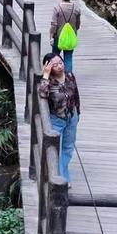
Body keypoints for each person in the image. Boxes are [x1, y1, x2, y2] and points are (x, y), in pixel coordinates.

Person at [38, 52, 80, 182]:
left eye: (60, 62)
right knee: (56, 151)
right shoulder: (48, 82)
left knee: (68, 148)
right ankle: (62, 180)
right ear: (48, 67)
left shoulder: (69, 76)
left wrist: (78, 113)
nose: (59, 66)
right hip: (57, 119)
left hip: (71, 117)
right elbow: (42, 94)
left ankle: (62, 174)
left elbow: (76, 95)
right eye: (54, 65)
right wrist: (45, 74)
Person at [50, 0, 81, 73]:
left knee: (55, 56)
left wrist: (51, 36)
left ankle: (55, 75)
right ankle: (68, 77)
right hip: (70, 37)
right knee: (68, 57)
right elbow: (77, 25)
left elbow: (53, 24)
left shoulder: (57, 9)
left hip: (58, 37)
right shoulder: (76, 9)